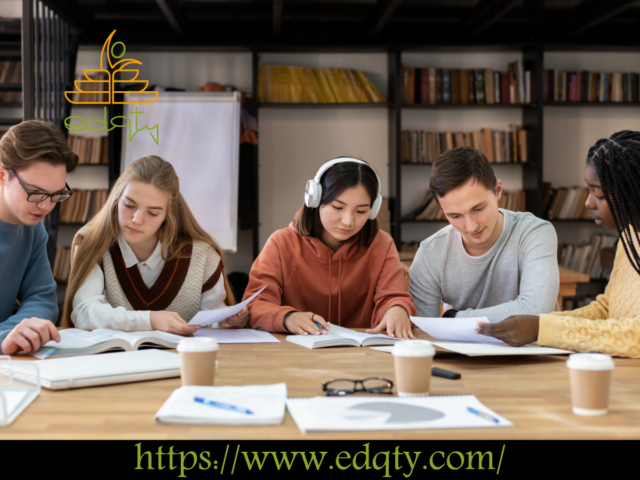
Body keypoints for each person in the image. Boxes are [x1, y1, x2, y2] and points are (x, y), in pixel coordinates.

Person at [477, 131, 640, 358]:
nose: (588, 202)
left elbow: (636, 335)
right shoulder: (631, 236)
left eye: (600, 194)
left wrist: (542, 330)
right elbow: (606, 309)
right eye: (588, 189)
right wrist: (540, 322)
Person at [61, 155, 248, 334]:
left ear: (169, 214)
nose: (137, 219)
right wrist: (150, 320)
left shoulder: (203, 254)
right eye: (129, 205)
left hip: (181, 362)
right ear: (117, 198)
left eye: (153, 213)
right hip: (113, 361)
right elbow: (84, 313)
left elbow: (213, 321)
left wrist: (228, 321)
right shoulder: (91, 242)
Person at [244, 157, 416, 338]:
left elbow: (392, 297)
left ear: (373, 210)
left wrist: (397, 309)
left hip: (362, 356)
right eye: (337, 207)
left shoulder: (382, 245)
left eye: (361, 211)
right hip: (295, 355)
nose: (348, 221)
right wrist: (288, 317)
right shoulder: (280, 244)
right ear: (315, 200)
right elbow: (255, 304)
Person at [409, 146, 559, 322]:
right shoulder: (430, 253)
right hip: (459, 348)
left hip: (522, 349)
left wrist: (454, 318)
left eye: (478, 209)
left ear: (497, 190)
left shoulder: (534, 233)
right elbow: (423, 329)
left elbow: (535, 311)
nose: (471, 227)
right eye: (455, 216)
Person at [0, 120, 79, 354]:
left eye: (56, 194)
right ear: (2, 175)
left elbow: (43, 298)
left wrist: (13, 334)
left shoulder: (33, 228)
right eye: (35, 192)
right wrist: (4, 337)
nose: (45, 206)